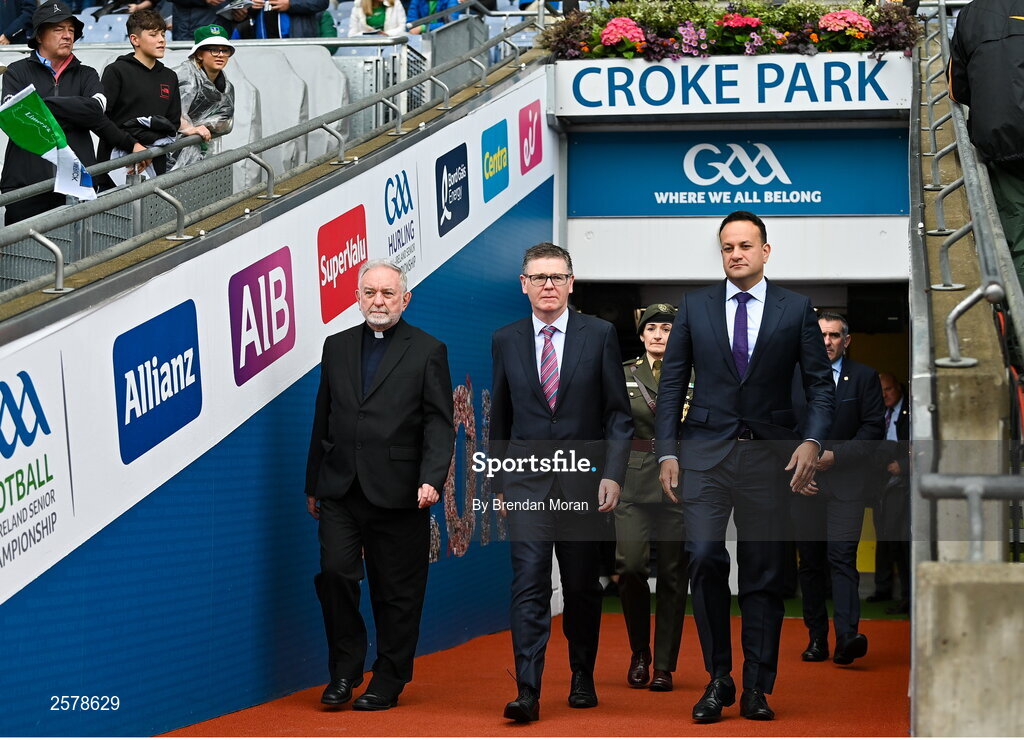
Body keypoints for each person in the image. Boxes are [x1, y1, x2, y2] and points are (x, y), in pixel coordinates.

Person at [656, 211, 834, 723]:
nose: (735, 253)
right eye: (727, 246)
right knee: (706, 557)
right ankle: (719, 678)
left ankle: (757, 684)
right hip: (704, 455)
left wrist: (811, 439)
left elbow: (820, 386)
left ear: (765, 251)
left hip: (769, 459)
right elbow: (672, 386)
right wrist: (668, 451)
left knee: (764, 572)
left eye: (745, 245)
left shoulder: (796, 308)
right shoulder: (694, 307)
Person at [490, 242, 633, 723]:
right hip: (526, 485)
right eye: (538, 277)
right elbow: (501, 420)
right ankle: (527, 690)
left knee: (580, 587)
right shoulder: (506, 339)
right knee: (528, 584)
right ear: (524, 285)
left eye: (556, 277)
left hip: (583, 485)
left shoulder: (601, 334)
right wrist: (499, 483)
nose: (547, 285)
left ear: (571, 283)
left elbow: (618, 414)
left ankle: (581, 675)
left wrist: (612, 474)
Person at [305, 259, 455, 711]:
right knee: (335, 575)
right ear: (356, 297)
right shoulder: (335, 346)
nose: (378, 301)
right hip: (340, 490)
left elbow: (439, 424)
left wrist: (432, 478)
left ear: (405, 299)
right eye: (369, 292)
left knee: (397, 592)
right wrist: (314, 481)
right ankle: (345, 670)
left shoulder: (428, 349)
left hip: (401, 491)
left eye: (388, 293)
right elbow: (323, 417)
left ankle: (389, 677)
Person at [791, 312, 885, 666]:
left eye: (834, 335)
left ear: (846, 340)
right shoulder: (792, 377)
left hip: (847, 483)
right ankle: (817, 639)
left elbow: (873, 429)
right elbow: (780, 425)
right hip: (803, 483)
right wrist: (802, 466)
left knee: (841, 558)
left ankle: (847, 636)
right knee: (811, 564)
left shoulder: (863, 377)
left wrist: (836, 456)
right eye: (821, 335)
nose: (827, 341)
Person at [0, 1, 149, 225]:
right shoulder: (16, 71)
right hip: (25, 185)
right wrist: (76, 108)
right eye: (58, 29)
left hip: (77, 182)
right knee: (22, 257)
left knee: (80, 258)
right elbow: (17, 117)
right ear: (40, 36)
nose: (67, 35)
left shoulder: (87, 74)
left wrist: (42, 103)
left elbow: (96, 112)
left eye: (71, 30)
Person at [615, 303, 689, 693]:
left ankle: (663, 665)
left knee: (675, 575)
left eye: (667, 328)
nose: (659, 334)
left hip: (680, 481)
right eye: (653, 328)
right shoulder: (624, 373)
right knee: (630, 566)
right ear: (642, 335)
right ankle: (639, 652)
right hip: (633, 478)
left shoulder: (695, 374)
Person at [948, 0, 1024, 284]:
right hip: (1002, 140)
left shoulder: (970, 13)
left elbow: (957, 88)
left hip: (1001, 141)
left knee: (1018, 239)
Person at [96, 9, 182, 187]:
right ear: (135, 40)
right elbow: (100, 120)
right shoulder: (116, 71)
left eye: (163, 34)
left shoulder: (169, 76)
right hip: (115, 167)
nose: (161, 40)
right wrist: (132, 145)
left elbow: (172, 123)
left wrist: (148, 150)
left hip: (154, 164)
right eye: (153, 34)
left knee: (151, 213)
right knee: (116, 214)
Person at [872, 372, 911, 615]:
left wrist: (904, 466)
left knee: (902, 540)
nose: (885, 395)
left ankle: (908, 596)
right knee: (884, 535)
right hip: (881, 480)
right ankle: (882, 588)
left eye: (888, 389)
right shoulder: (876, 412)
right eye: (881, 391)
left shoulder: (913, 411)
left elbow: (926, 445)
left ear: (898, 388)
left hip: (904, 483)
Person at [172, 24, 235, 171]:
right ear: (199, 54)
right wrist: (189, 128)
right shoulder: (184, 76)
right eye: (213, 50)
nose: (220, 55)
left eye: (224, 50)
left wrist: (204, 127)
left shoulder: (227, 87)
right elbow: (170, 112)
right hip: (171, 149)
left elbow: (225, 121)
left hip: (203, 148)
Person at [234, 0, 328, 39]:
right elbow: (239, 8)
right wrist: (249, 5)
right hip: (263, 44)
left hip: (295, 43)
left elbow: (321, 2)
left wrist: (291, 4)